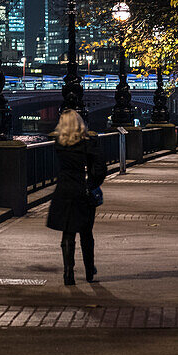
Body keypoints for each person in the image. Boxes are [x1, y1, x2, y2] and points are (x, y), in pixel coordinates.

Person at [46, 110, 105, 286]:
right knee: (86, 232)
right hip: (83, 190)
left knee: (68, 232)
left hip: (64, 189)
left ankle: (68, 274)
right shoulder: (89, 143)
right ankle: (89, 271)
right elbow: (100, 168)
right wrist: (92, 183)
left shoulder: (59, 144)